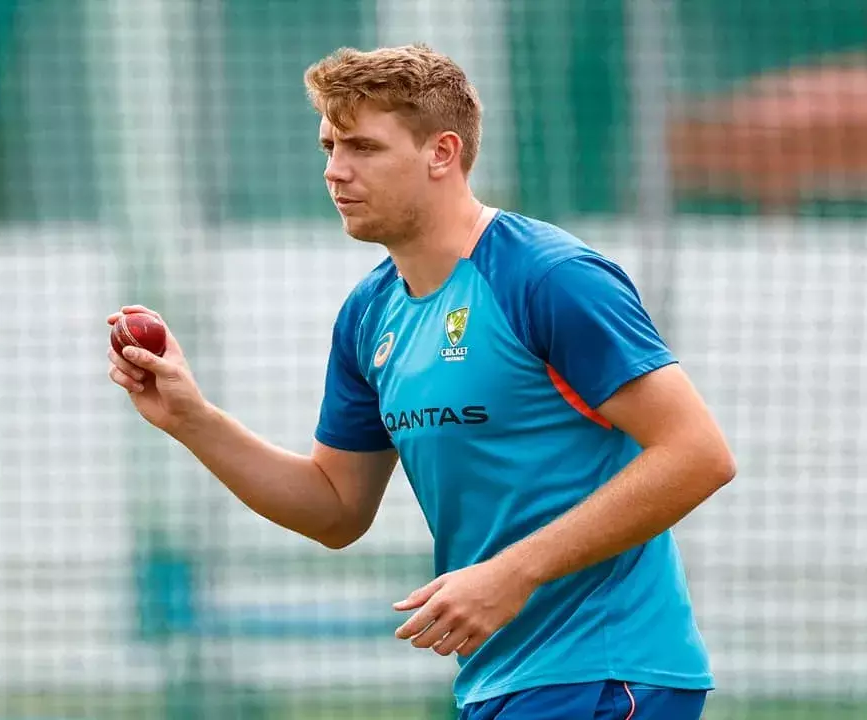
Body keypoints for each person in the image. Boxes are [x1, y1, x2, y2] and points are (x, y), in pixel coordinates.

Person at [107, 44, 735, 720]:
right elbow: (334, 508)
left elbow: (697, 455)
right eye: (329, 146)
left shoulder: (550, 278)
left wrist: (514, 571)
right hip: (501, 680)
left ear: (442, 152)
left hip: (607, 673)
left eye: (363, 148)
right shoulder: (369, 313)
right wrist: (192, 419)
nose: (335, 170)